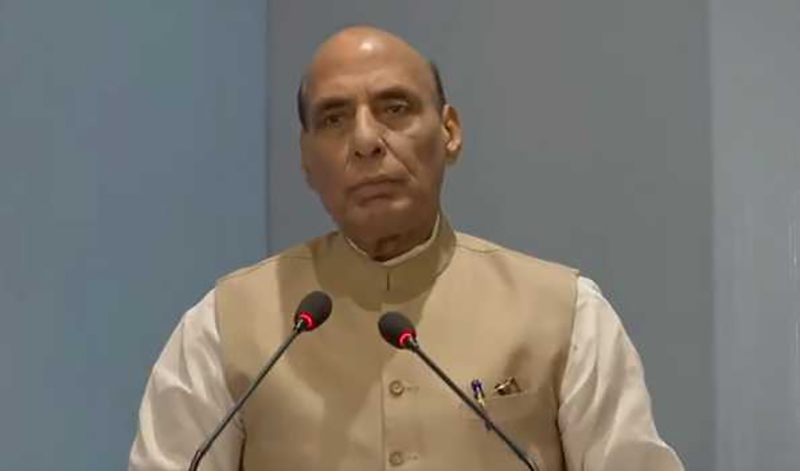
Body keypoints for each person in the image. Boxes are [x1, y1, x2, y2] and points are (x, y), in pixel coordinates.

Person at [129, 26, 684, 471]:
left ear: (449, 131)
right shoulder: (223, 326)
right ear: (305, 159)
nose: (365, 141)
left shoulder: (565, 313)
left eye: (394, 108)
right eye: (333, 118)